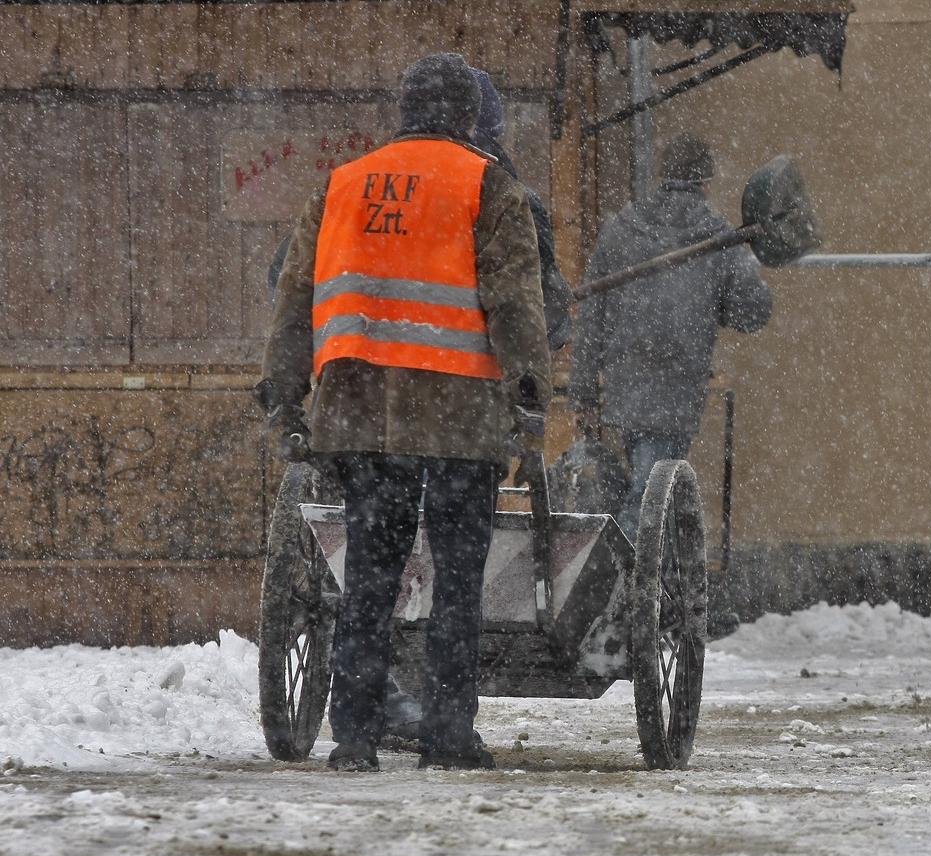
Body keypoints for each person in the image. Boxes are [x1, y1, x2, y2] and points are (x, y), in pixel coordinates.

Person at [258, 52, 550, 771]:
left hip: (360, 411)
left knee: (370, 578)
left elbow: (296, 296)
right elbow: (515, 300)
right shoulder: (490, 186)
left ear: (404, 110)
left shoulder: (341, 185)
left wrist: (284, 392)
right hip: (458, 414)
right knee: (456, 581)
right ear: (465, 113)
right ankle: (448, 736)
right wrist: (530, 392)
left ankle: (354, 737)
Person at [570, 134, 771, 539]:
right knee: (650, 499)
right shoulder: (719, 236)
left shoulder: (621, 227)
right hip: (679, 386)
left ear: (664, 175)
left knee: (646, 484)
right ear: (706, 181)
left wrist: (584, 391)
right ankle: (623, 581)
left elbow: (591, 315)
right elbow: (751, 313)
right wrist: (752, 256)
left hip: (626, 382)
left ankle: (634, 578)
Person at [469, 68, 574, 353]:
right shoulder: (517, 201)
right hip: (488, 378)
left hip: (404, 381)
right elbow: (547, 319)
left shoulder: (404, 195)